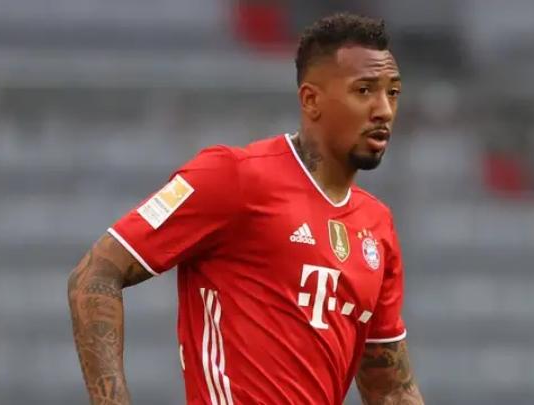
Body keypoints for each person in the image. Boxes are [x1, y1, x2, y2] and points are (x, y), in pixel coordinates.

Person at [68, 12, 424, 405]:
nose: (384, 110)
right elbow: (96, 274)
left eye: (393, 92)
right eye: (364, 90)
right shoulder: (233, 176)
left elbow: (391, 389)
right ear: (311, 100)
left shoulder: (377, 226)